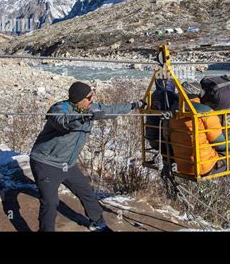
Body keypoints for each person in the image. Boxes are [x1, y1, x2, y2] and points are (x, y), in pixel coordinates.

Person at [29, 81, 146, 232]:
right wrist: (85, 118)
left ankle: (98, 222)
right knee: (50, 202)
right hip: (46, 163)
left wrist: (134, 105)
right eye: (90, 97)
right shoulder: (60, 108)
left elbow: (111, 110)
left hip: (67, 164)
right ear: (80, 99)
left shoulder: (90, 107)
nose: (93, 98)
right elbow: (63, 122)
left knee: (87, 193)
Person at [169, 82, 230, 176]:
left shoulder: (172, 112)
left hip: (181, 166)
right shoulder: (205, 112)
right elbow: (220, 145)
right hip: (204, 168)